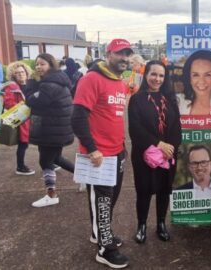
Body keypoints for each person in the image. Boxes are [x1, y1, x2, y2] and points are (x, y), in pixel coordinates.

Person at [71, 38, 132, 269]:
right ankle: (105, 249)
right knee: (103, 201)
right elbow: (77, 117)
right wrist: (92, 148)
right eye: (119, 54)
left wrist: (122, 148)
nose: (124, 58)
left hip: (117, 152)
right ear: (108, 55)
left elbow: (113, 118)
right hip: (98, 156)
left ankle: (99, 234)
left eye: (127, 54)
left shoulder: (119, 82)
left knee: (109, 199)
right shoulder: (91, 79)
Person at [128, 60, 181, 244]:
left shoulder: (170, 98)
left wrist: (170, 148)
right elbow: (135, 129)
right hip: (145, 155)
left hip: (167, 156)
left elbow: (176, 127)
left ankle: (161, 224)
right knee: (143, 190)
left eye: (161, 75)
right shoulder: (137, 98)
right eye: (153, 74)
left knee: (164, 190)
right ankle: (141, 225)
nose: (157, 79)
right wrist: (159, 145)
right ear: (146, 75)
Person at [25, 53, 74, 208]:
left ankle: (51, 194)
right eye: (37, 64)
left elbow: (33, 101)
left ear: (51, 65)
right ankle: (86, 178)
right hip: (56, 128)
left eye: (42, 64)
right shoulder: (59, 80)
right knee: (56, 159)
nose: (38, 67)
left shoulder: (48, 84)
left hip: (50, 129)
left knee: (45, 161)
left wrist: (31, 84)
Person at [1, 61, 35, 175]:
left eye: (22, 72)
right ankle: (20, 167)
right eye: (17, 73)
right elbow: (8, 103)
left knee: (40, 140)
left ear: (26, 72)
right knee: (23, 144)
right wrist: (23, 105)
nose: (21, 74)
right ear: (13, 75)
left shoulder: (30, 84)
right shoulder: (12, 87)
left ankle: (51, 161)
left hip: (32, 118)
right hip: (22, 119)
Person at [178, 50, 211, 115]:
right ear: (189, 78)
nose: (201, 81)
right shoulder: (177, 103)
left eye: (208, 75)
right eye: (196, 75)